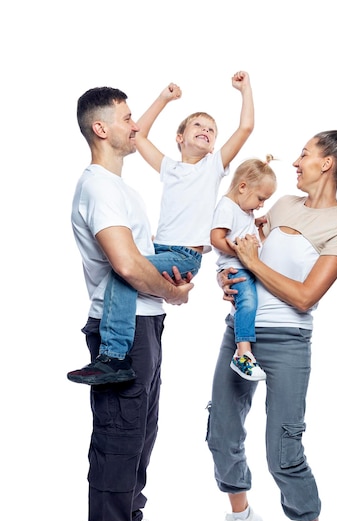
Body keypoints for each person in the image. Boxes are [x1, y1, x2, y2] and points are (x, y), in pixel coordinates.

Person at [206, 129, 337, 521]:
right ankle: (241, 516)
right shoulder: (280, 208)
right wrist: (233, 281)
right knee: (220, 433)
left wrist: (253, 263)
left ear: (326, 165)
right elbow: (244, 260)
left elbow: (304, 296)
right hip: (240, 334)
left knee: (283, 452)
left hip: (288, 342)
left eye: (303, 154)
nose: (294, 163)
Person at [70, 86, 193, 521]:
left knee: (142, 431)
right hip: (120, 332)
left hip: (146, 323)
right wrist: (177, 293)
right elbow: (125, 264)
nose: (136, 126)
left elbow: (141, 260)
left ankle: (129, 520)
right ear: (102, 128)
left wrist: (167, 290)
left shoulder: (121, 188)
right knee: (118, 438)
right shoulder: (99, 187)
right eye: (126, 118)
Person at [67, 71, 254, 385]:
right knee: (127, 270)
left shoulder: (213, 167)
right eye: (198, 124)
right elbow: (138, 136)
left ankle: (112, 356)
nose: (206, 130)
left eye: (212, 129)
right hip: (160, 250)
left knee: (122, 272)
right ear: (180, 137)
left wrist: (244, 89)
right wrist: (164, 99)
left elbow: (245, 127)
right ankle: (114, 355)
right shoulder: (170, 168)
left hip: (184, 256)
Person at [210, 157, 277, 381]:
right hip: (235, 268)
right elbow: (216, 238)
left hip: (246, 266)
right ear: (243, 187)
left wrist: (256, 224)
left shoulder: (244, 210)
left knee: (251, 302)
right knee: (247, 302)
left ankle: (245, 349)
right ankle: (243, 353)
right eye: (260, 198)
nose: (261, 205)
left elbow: (243, 229)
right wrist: (240, 251)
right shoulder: (227, 207)